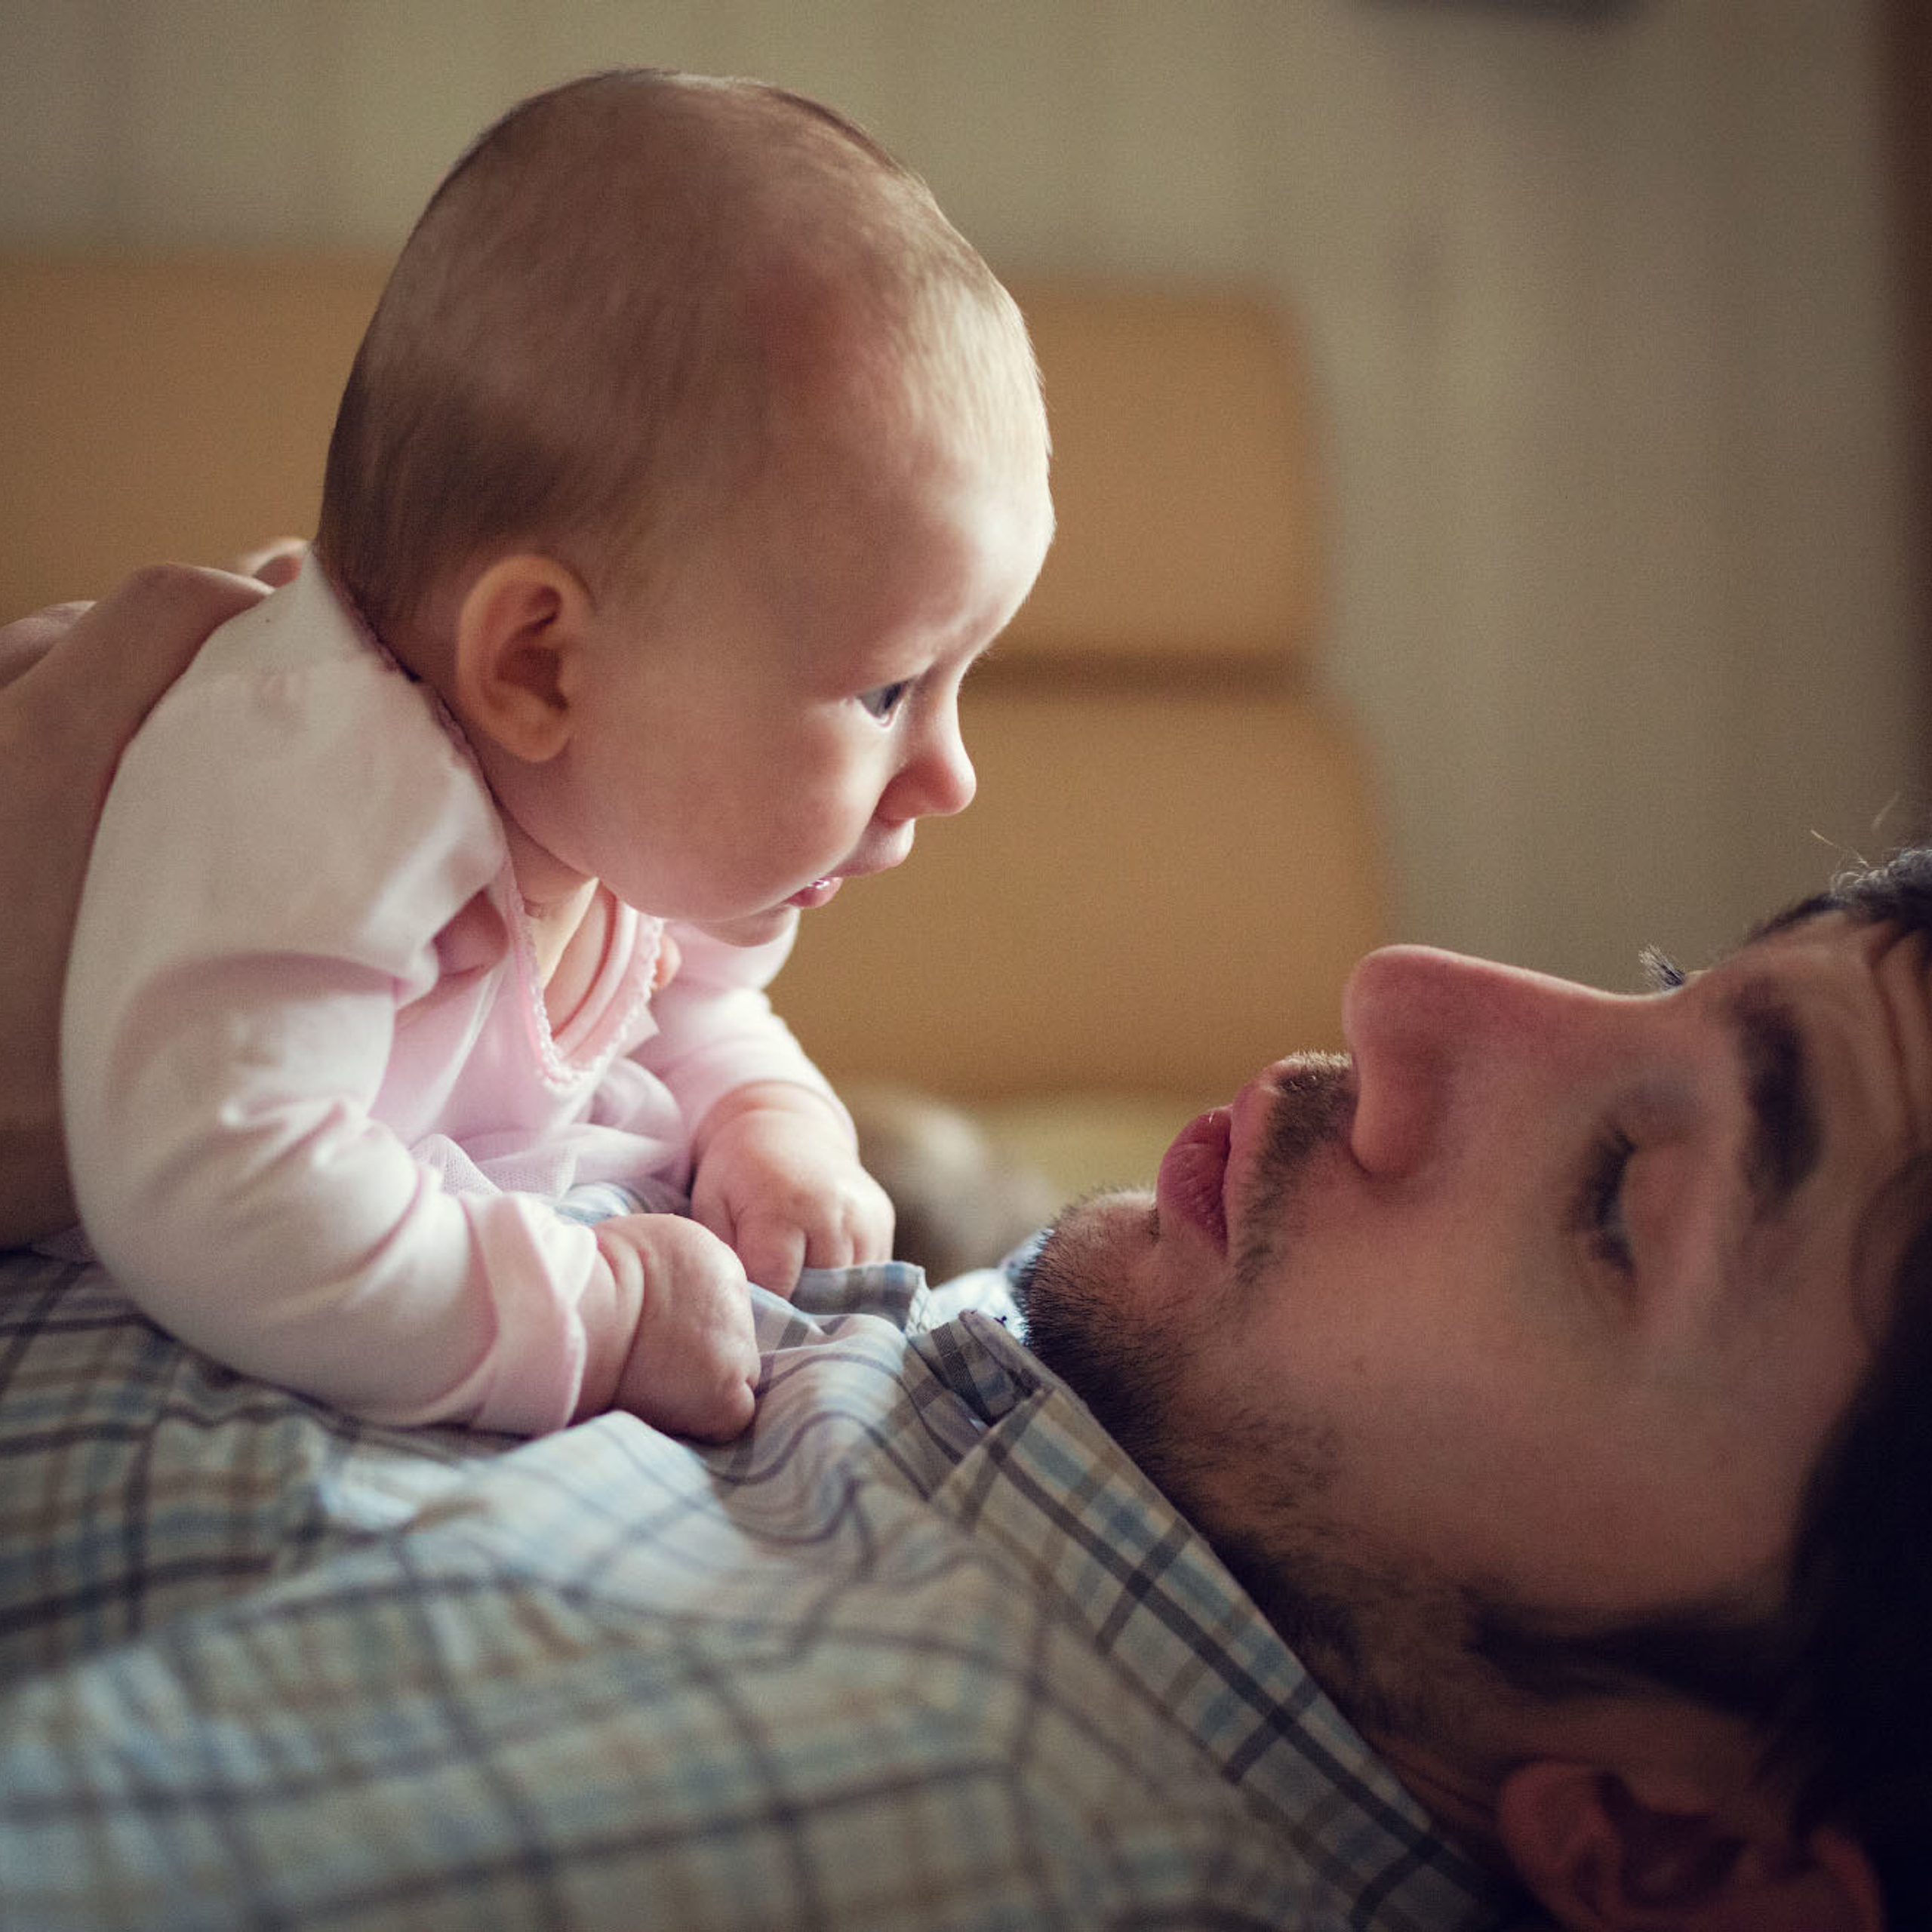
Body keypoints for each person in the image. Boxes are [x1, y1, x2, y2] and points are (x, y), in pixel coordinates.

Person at [3, 584, 1924, 1929]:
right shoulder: (1064, 1461)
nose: (1404, 992)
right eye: (1665, 986)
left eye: (1616, 1204)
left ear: (1677, 1859)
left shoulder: (886, 1816)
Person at [45, 71, 1056, 1440]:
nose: (954, 777)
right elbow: (221, 1179)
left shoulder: (601, 820)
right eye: (887, 690)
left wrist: (767, 1119)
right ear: (539, 664)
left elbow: (694, 1008)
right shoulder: (321, 788)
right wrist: (602, 1315)